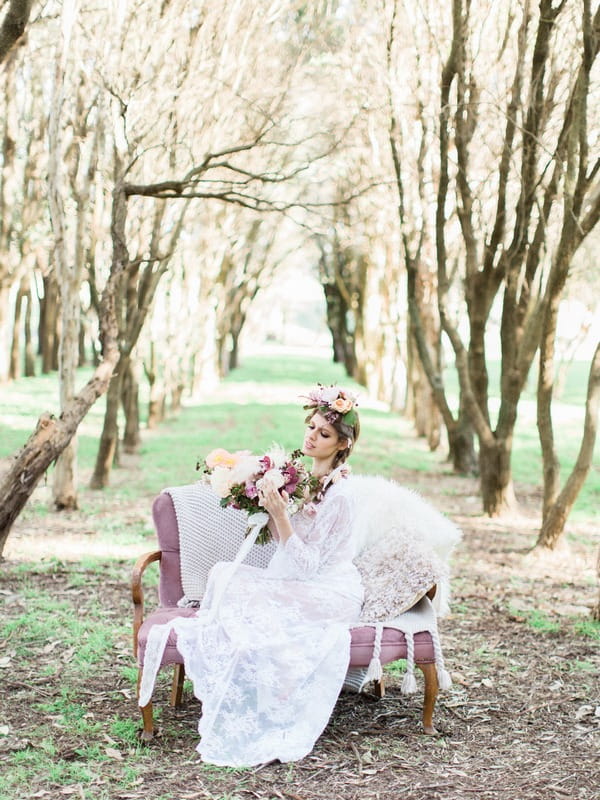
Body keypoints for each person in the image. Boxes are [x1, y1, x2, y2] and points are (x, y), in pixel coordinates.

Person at [139, 386, 363, 767]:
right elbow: (284, 546)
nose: (311, 436)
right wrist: (266, 503)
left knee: (242, 591)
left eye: (323, 433)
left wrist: (279, 514)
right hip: (300, 582)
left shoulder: (342, 495)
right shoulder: (308, 480)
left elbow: (309, 566)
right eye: (311, 427)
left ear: (342, 444)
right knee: (226, 575)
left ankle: (272, 696)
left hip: (329, 591)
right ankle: (247, 681)